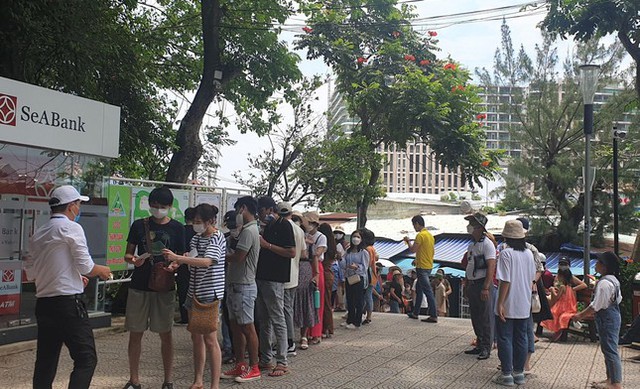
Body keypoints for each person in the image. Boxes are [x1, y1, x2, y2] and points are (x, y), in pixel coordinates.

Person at [28, 185, 112, 389]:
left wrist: (74, 277)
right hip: (68, 305)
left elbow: (32, 274)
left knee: (46, 362)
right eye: (78, 204)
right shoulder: (71, 228)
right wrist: (102, 270)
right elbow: (86, 265)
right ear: (72, 206)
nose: (78, 208)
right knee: (86, 359)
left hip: (45, 304)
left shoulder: (39, 233)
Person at [123, 186, 186, 389]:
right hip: (140, 284)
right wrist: (134, 260)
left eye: (162, 206)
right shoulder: (139, 225)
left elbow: (182, 257)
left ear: (170, 206)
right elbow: (128, 253)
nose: (158, 210)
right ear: (149, 205)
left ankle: (168, 380)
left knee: (165, 333)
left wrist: (174, 264)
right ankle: (134, 380)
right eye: (154, 206)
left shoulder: (178, 228)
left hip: (164, 286)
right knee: (135, 332)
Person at [162, 203, 226, 389]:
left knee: (210, 339)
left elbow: (206, 262)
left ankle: (214, 384)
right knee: (195, 337)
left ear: (210, 221)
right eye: (194, 221)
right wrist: (177, 264)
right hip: (194, 291)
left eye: (199, 222)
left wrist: (178, 259)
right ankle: (198, 380)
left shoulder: (217, 237)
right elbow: (193, 256)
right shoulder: (197, 238)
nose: (195, 225)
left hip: (209, 294)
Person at [221, 196, 262, 383]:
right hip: (234, 283)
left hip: (244, 285)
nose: (237, 214)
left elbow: (239, 257)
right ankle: (240, 363)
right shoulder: (245, 230)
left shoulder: (249, 231)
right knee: (235, 326)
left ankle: (254, 366)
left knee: (247, 326)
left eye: (238, 210)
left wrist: (219, 256)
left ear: (243, 208)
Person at [254, 196, 295, 377]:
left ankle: (282, 360)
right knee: (264, 320)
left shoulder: (284, 225)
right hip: (262, 276)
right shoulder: (268, 226)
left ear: (270, 209)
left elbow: (291, 252)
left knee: (278, 318)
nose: (260, 215)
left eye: (261, 211)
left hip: (276, 278)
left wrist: (268, 245)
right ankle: (266, 358)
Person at [493, 220, 536, 387]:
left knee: (505, 338)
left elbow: (505, 280)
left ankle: (506, 375)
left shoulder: (506, 254)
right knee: (521, 337)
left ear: (506, 237)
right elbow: (531, 277)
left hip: (509, 302)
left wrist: (500, 303)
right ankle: (519, 373)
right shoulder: (528, 254)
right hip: (524, 303)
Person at [573, 252, 623, 389]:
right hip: (612, 315)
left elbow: (595, 306)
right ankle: (610, 379)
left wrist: (579, 315)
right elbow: (618, 299)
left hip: (607, 318)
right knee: (608, 349)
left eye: (598, 262)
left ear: (604, 266)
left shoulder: (605, 284)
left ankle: (616, 383)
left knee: (611, 350)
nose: (596, 264)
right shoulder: (613, 280)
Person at [463, 212, 496, 361]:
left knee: (485, 317)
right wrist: (466, 283)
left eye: (473, 225)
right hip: (472, 284)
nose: (470, 228)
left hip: (482, 283)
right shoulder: (472, 245)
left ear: (480, 228)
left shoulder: (487, 244)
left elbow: (491, 267)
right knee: (475, 316)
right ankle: (479, 343)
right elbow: (469, 265)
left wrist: (486, 287)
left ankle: (486, 347)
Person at [280, 206, 307, 356]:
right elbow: (303, 253)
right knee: (288, 310)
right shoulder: (299, 230)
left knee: (280, 312)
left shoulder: (280, 227)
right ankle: (289, 342)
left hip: (281, 276)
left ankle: (288, 342)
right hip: (294, 275)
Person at [404, 215, 438, 323]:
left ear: (417, 224)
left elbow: (413, 249)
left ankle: (433, 315)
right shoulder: (430, 236)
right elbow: (426, 251)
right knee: (419, 290)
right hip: (428, 265)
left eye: (414, 225)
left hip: (422, 267)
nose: (414, 227)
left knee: (427, 291)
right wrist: (417, 259)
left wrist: (408, 241)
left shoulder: (420, 235)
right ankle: (415, 313)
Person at [303, 211, 327, 345]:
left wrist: (310, 246)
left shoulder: (321, 237)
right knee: (307, 301)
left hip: (317, 267)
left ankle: (316, 333)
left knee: (318, 301)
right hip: (306, 267)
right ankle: (306, 332)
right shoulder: (304, 235)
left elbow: (318, 253)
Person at [340, 230, 370, 328]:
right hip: (349, 277)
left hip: (358, 278)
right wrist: (341, 259)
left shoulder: (364, 252)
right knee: (350, 299)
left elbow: (365, 267)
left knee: (358, 299)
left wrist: (356, 267)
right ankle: (350, 319)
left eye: (358, 237)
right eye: (354, 236)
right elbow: (343, 264)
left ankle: (357, 321)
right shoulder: (348, 251)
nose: (355, 239)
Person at [541, 267, 579, 341]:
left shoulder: (562, 286)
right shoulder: (570, 286)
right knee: (554, 313)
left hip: (563, 307)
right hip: (569, 307)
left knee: (552, 312)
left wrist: (552, 290)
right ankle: (558, 331)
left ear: (562, 276)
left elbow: (556, 297)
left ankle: (558, 331)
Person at [176, 207, 197, 325]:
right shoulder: (199, 233)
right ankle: (195, 315)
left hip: (182, 264)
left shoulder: (181, 230)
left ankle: (185, 317)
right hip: (196, 265)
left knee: (183, 290)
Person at [318, 223, 337, 337]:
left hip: (323, 273)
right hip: (329, 274)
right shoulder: (332, 245)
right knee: (328, 302)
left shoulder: (323, 244)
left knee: (324, 302)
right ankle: (328, 327)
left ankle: (326, 328)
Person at [361, 228, 379, 325]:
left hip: (368, 276)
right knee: (367, 296)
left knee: (367, 296)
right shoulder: (372, 248)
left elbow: (367, 263)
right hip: (372, 276)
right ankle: (367, 314)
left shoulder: (367, 249)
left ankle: (368, 317)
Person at [333, 225, 348, 311]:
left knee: (343, 286)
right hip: (335, 266)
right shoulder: (333, 243)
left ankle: (343, 304)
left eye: (340, 233)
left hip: (343, 267)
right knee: (337, 286)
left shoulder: (346, 244)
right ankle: (339, 304)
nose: (337, 234)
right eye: (336, 233)